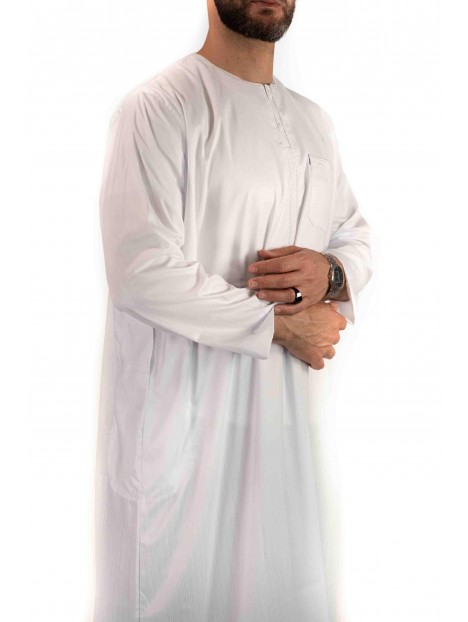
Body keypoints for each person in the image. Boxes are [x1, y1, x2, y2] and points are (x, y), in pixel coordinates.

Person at [93, 1, 372, 620]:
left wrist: (330, 272)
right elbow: (140, 269)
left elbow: (354, 234)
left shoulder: (312, 122)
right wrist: (278, 324)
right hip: (182, 434)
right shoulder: (161, 107)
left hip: (283, 434)